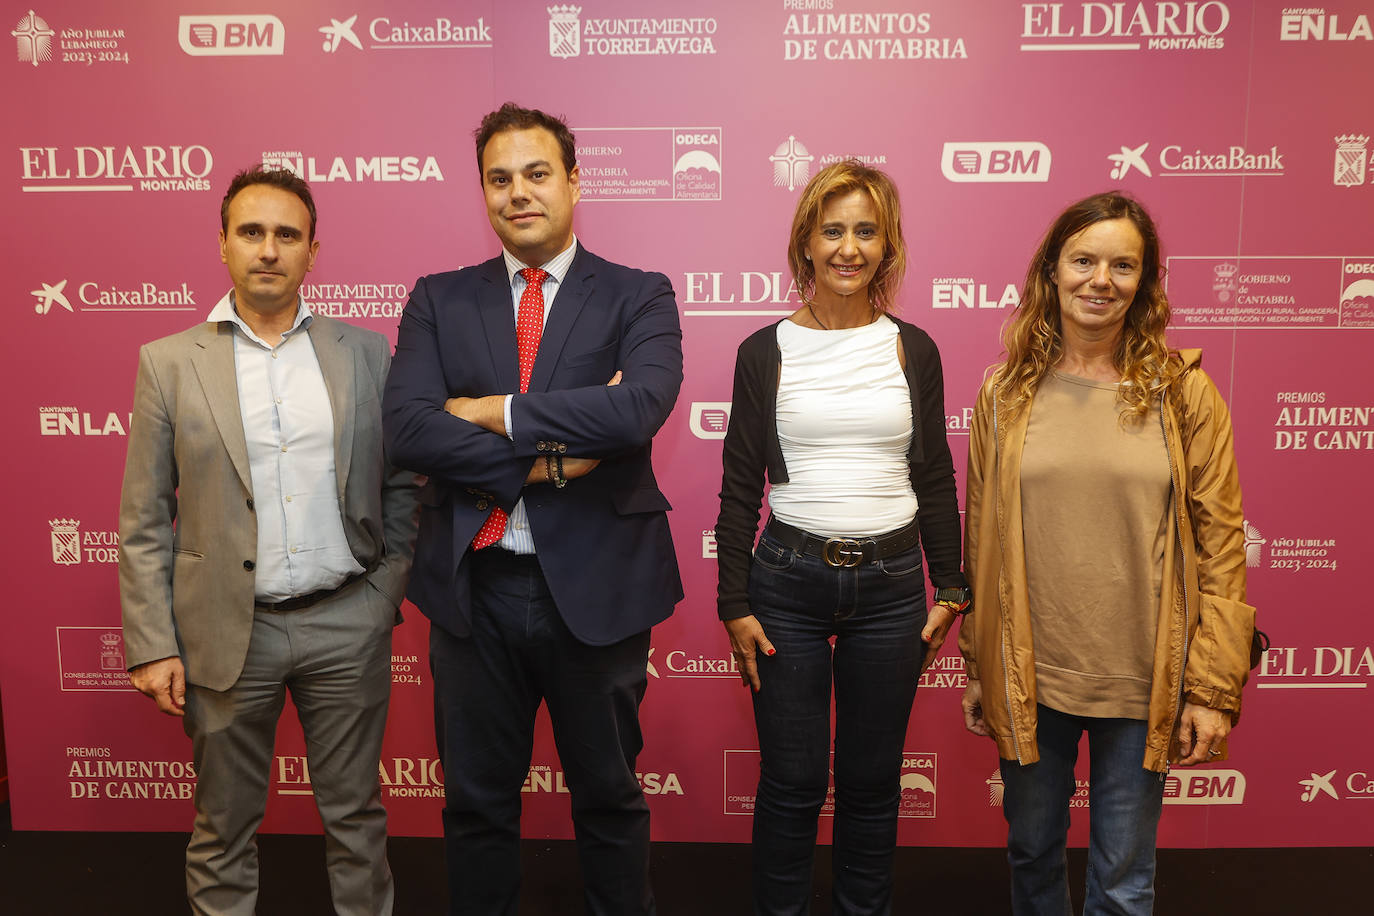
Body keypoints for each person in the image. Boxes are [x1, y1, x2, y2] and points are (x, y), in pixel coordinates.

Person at [381, 103, 684, 916]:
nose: (519, 193)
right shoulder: (439, 300)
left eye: (537, 173)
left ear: (576, 181)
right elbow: (408, 429)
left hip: (598, 590)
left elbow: (638, 410)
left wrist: (487, 410)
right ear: (483, 192)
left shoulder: (638, 295)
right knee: (477, 808)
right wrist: (551, 461)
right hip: (473, 592)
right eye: (499, 178)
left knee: (610, 802)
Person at [118, 165, 420, 916]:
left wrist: (383, 593)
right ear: (222, 243)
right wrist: (153, 642)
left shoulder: (367, 353)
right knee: (223, 829)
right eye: (251, 232)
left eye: (287, 234)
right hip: (226, 631)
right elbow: (145, 516)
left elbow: (403, 487)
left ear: (313, 251)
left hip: (346, 622)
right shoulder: (169, 362)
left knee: (357, 820)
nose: (268, 249)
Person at [957, 191, 1255, 915]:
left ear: (1145, 280)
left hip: (1143, 678)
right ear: (1051, 273)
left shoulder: (1185, 394)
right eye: (1084, 260)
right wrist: (979, 662)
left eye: (1123, 264)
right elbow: (981, 541)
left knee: (1124, 879)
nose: (1101, 279)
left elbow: (1220, 546)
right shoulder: (1004, 394)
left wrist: (1212, 690)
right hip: (1033, 673)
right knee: (1032, 854)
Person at [714, 160, 970, 915]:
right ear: (807, 243)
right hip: (786, 584)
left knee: (870, 784)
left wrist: (951, 587)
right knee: (792, 783)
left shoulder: (911, 349)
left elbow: (934, 475)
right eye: (834, 231)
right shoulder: (765, 351)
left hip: (893, 591)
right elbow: (739, 487)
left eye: (866, 231)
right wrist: (733, 600)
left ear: (887, 246)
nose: (849, 248)